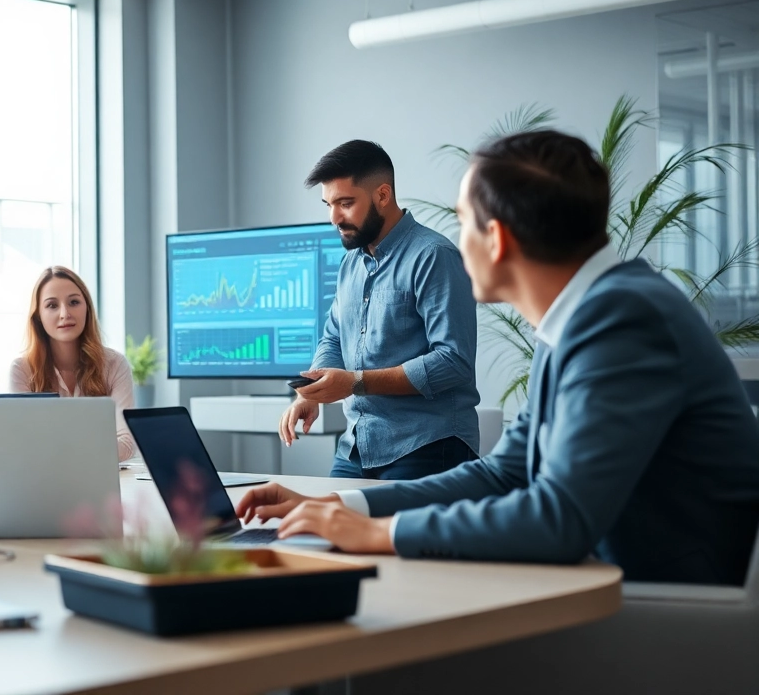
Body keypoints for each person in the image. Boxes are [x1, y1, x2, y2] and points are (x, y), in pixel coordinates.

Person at [238, 130, 759, 585]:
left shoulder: (623, 321)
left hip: (670, 602)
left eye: (464, 221)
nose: (456, 241)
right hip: (614, 579)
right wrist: (341, 505)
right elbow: (504, 474)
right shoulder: (581, 318)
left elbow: (559, 519)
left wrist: (379, 533)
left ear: (498, 239)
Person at [282, 140, 481, 480]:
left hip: (427, 445)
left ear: (383, 195)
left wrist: (355, 383)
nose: (334, 218)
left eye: (346, 203)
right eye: (329, 205)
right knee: (315, 515)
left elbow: (453, 361)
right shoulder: (349, 265)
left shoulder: (434, 256)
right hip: (357, 447)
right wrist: (313, 391)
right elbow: (334, 338)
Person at [8, 266, 137, 462]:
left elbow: (127, 443)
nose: (65, 313)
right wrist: (94, 448)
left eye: (74, 302)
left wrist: (61, 450)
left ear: (87, 308)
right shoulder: (22, 370)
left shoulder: (115, 364)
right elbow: (24, 444)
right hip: (45, 478)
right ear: (38, 316)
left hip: (98, 477)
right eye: (52, 305)